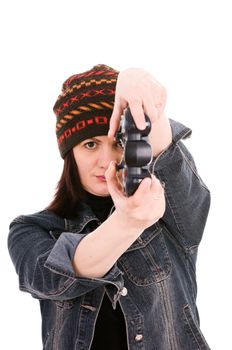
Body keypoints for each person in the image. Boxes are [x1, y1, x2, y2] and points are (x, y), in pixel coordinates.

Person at [8, 64, 211, 350]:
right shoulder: (31, 230)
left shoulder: (168, 212)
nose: (106, 160)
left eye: (118, 143)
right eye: (90, 144)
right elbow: (54, 276)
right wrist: (128, 223)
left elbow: (167, 154)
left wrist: (141, 91)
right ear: (70, 154)